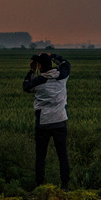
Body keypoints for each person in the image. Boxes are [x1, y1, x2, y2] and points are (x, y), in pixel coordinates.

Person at [23, 52, 71, 189]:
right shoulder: (62, 76)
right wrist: (54, 55)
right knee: (62, 155)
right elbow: (66, 64)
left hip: (43, 123)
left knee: (41, 155)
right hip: (60, 120)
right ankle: (65, 186)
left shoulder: (38, 81)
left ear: (39, 66)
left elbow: (26, 86)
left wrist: (31, 71)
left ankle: (40, 185)